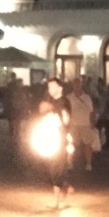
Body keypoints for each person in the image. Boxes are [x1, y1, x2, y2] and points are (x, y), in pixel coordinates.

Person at [34, 77, 72, 208]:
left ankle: (60, 199)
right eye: (49, 87)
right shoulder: (51, 101)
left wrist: (51, 113)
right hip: (51, 140)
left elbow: (65, 120)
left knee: (58, 169)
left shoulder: (64, 102)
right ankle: (61, 194)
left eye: (52, 86)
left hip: (60, 140)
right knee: (51, 169)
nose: (49, 89)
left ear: (60, 88)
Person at [67, 76, 96, 171]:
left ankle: (88, 163)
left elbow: (91, 111)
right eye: (75, 85)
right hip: (73, 125)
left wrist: (92, 123)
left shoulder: (87, 98)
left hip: (85, 124)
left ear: (81, 85)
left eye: (78, 85)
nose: (77, 86)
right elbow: (66, 111)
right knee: (71, 144)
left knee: (87, 145)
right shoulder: (69, 97)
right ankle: (70, 162)